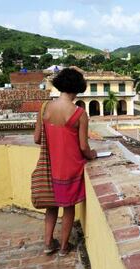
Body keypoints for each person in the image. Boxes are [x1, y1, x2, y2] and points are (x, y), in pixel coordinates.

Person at [34, 68, 97, 256]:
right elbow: (84, 147)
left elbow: (37, 138)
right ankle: (63, 247)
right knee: (68, 208)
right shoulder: (79, 114)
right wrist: (92, 154)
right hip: (70, 169)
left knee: (51, 206)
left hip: (50, 167)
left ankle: (47, 244)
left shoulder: (44, 108)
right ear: (78, 88)